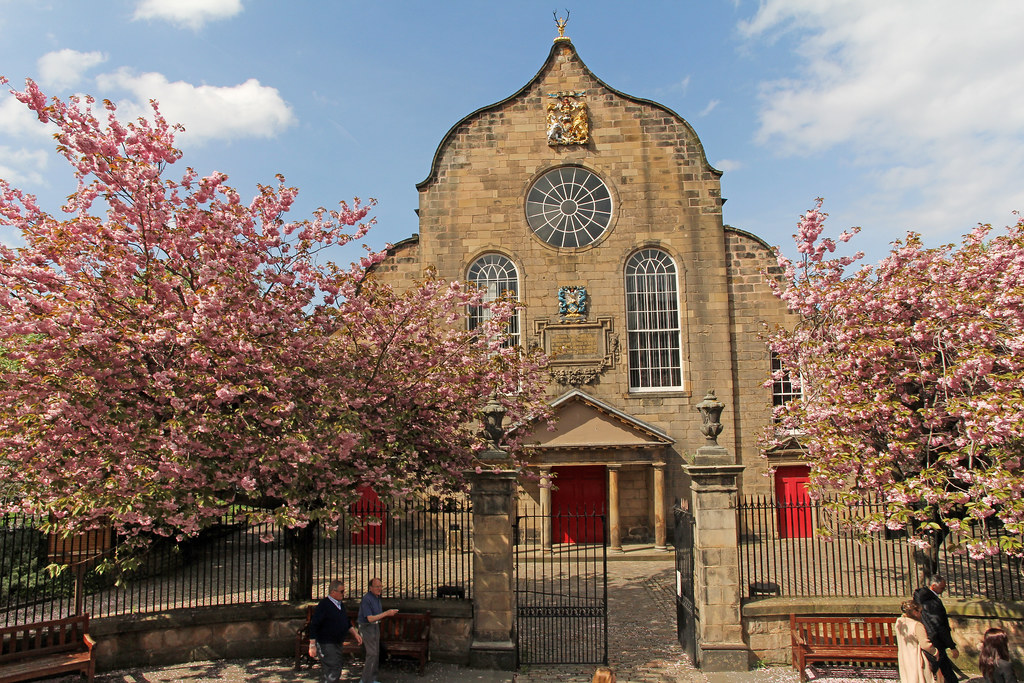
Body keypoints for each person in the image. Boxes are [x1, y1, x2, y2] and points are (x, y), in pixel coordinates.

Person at [308, 579, 362, 683]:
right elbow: (314, 624)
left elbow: (345, 621)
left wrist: (355, 634)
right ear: (333, 592)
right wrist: (312, 645)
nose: (343, 594)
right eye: (341, 591)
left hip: (337, 642)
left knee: (335, 667)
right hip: (327, 643)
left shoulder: (340, 604)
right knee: (333, 668)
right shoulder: (324, 605)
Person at [914, 575, 959, 683]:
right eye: (942, 588)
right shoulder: (932, 603)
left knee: (940, 669)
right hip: (935, 638)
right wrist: (951, 645)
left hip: (929, 636)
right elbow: (938, 625)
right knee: (944, 670)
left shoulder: (922, 598)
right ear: (933, 586)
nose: (943, 590)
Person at [358, 577, 399, 683]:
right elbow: (370, 618)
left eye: (380, 586)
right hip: (367, 627)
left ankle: (373, 678)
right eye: (377, 586)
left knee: (375, 653)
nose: (379, 588)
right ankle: (366, 680)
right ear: (370, 588)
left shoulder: (376, 597)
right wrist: (387, 613)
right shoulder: (367, 599)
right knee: (371, 654)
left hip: (375, 627)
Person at [896, 599, 937, 683]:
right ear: (915, 612)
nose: (921, 614)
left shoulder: (899, 622)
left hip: (904, 656)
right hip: (916, 658)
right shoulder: (917, 625)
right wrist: (935, 652)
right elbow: (925, 645)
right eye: (920, 612)